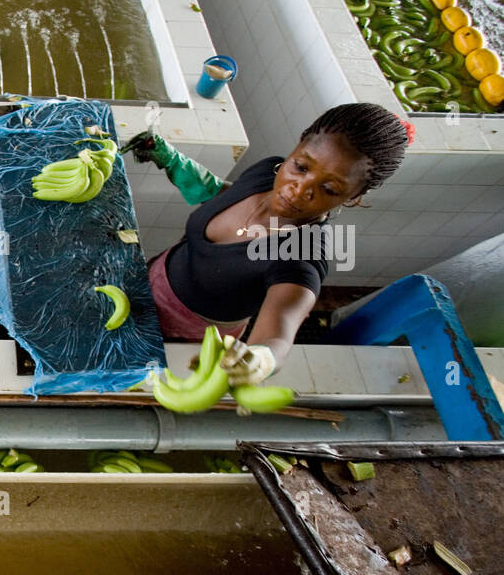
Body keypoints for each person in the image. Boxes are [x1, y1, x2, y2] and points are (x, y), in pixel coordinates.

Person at [123, 103, 413, 385]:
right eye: (300, 166)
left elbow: (281, 326)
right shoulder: (267, 172)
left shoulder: (300, 255)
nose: (299, 189)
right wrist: (173, 162)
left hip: (183, 329)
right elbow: (226, 194)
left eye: (328, 188)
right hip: (156, 277)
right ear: (296, 147)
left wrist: (262, 358)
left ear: (353, 196)